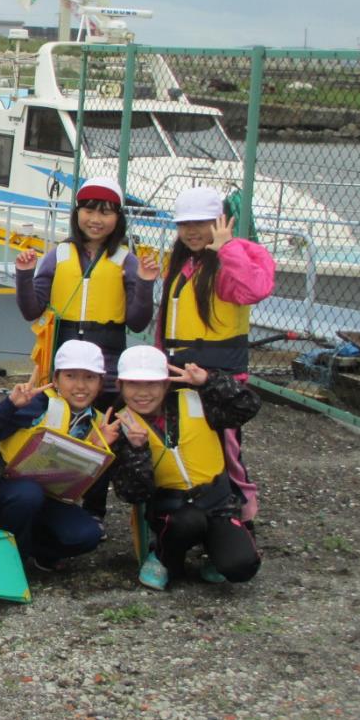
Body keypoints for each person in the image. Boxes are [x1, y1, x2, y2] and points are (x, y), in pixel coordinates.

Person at [13, 175, 158, 521]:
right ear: (77, 213)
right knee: (56, 436)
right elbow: (32, 309)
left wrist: (147, 285)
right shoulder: (57, 256)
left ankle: (94, 511)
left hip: (105, 368)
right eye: (89, 210)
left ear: (118, 218)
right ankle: (52, 503)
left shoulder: (126, 260)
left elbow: (137, 321)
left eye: (106, 212)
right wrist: (24, 274)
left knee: (101, 438)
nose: (96, 219)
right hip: (61, 363)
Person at [154, 186, 275, 522]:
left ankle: (241, 520)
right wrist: (157, 363)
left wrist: (228, 248)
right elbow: (167, 321)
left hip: (220, 380)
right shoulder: (182, 263)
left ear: (221, 220)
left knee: (227, 454)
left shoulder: (239, 256)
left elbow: (255, 289)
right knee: (181, 443)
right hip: (179, 374)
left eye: (201, 222)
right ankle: (183, 515)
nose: (191, 231)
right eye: (184, 224)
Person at [108, 345, 262, 589]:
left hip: (218, 502)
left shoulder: (198, 400)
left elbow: (249, 406)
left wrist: (209, 381)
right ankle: (163, 556)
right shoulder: (119, 425)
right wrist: (138, 450)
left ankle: (216, 552)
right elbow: (132, 493)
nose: (143, 393)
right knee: (187, 523)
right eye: (133, 384)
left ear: (166, 384)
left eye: (152, 384)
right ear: (120, 386)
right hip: (172, 508)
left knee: (240, 567)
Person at [0, 340, 120, 572]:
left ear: (100, 383)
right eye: (71, 376)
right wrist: (9, 406)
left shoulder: (99, 424)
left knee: (88, 535)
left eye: (90, 377)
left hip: (51, 498)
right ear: (56, 379)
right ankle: (9, 560)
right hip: (3, 489)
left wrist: (98, 449)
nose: (80, 385)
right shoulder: (37, 405)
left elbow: (84, 486)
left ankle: (36, 550)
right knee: (28, 494)